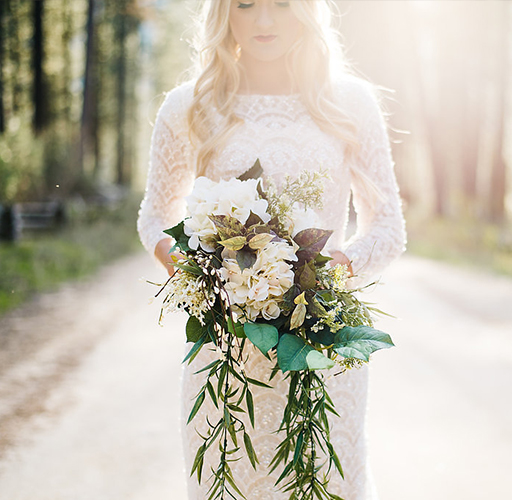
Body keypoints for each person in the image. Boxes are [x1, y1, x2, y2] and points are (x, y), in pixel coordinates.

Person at [137, 1, 406, 498]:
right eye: (246, 4)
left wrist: (333, 271)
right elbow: (154, 215)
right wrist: (205, 279)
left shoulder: (350, 103)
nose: (263, 21)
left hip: (320, 349)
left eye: (281, 3)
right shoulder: (188, 107)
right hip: (227, 359)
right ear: (224, 11)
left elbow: (389, 226)